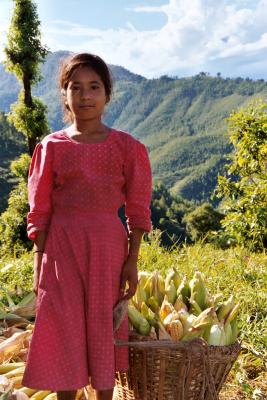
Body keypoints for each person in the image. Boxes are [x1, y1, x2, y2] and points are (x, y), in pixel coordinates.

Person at [21, 53, 152, 400]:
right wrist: (40, 262)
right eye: (75, 88)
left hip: (107, 250)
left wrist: (132, 260)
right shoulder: (51, 148)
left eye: (94, 87)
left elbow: (138, 210)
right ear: (64, 95)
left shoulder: (127, 147)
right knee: (64, 329)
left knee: (101, 325)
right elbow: (40, 210)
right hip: (60, 252)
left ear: (107, 94)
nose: (85, 96)